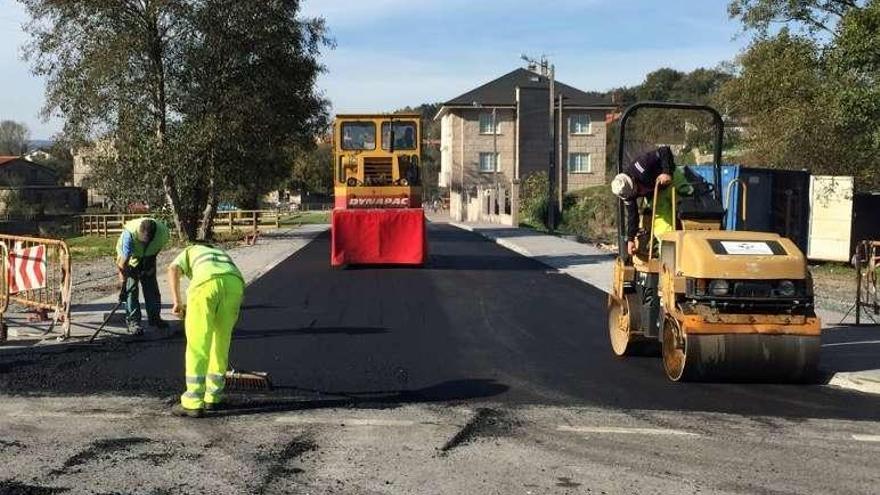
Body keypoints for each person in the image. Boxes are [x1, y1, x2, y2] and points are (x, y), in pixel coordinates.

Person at [168, 242, 245, 418]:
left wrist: (177, 302)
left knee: (198, 343)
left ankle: (193, 402)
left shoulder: (189, 251)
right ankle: (213, 397)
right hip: (235, 285)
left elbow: (173, 269)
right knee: (221, 342)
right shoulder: (219, 253)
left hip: (205, 285)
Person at [611, 146, 692, 256]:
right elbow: (632, 216)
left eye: (635, 191)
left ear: (632, 180)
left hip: (672, 178)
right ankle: (671, 256)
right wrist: (630, 239)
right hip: (657, 193)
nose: (636, 194)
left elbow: (664, 150)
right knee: (660, 226)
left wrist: (666, 172)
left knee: (691, 207)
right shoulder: (627, 194)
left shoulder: (641, 165)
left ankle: (695, 241)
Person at [116, 217, 170, 334]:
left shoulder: (163, 234)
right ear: (138, 234)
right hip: (130, 258)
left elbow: (156, 248)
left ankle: (155, 318)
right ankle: (133, 322)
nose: (143, 243)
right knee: (131, 289)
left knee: (151, 287)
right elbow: (122, 264)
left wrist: (149, 265)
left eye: (146, 241)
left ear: (153, 236)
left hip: (149, 256)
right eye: (141, 240)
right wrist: (123, 284)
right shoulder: (129, 236)